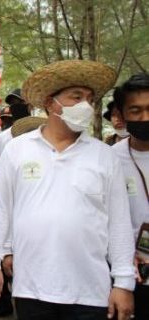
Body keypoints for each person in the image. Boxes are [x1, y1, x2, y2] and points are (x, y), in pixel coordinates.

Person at [0, 60, 136, 320]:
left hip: (89, 293)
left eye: (89, 98)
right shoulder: (18, 151)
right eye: (76, 97)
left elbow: (119, 224)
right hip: (32, 289)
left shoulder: (104, 157)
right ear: (50, 103)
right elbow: (0, 210)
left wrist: (123, 283)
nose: (85, 105)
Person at [112, 73, 149, 320]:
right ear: (122, 114)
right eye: (135, 110)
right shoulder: (109, 159)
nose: (145, 117)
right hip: (134, 277)